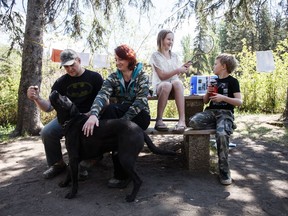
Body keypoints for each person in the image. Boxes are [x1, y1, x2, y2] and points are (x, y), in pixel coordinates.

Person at [27, 49, 103, 179]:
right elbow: (49, 107)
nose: (69, 69)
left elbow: (105, 101)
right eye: (66, 66)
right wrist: (36, 98)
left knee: (89, 131)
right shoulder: (61, 82)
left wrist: (91, 114)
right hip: (67, 119)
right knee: (47, 132)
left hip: (90, 116)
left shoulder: (95, 77)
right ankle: (57, 164)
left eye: (72, 65)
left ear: (79, 60)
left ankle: (91, 159)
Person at [82, 44, 151, 188]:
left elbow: (140, 102)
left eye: (121, 59)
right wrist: (94, 114)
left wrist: (122, 124)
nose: (118, 62)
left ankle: (102, 158)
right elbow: (102, 94)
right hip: (120, 117)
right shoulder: (113, 77)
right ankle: (119, 174)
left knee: (114, 119)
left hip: (140, 116)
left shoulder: (142, 76)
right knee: (109, 111)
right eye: (116, 59)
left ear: (129, 59)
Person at [188, 53, 242, 185]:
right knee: (193, 122)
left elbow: (239, 102)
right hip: (211, 112)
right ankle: (223, 125)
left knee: (222, 135)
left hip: (225, 112)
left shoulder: (233, 81)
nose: (214, 66)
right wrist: (208, 91)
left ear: (224, 66)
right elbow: (206, 101)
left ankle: (224, 171)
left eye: (215, 63)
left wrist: (223, 98)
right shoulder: (214, 80)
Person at [150, 29, 191, 133]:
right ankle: (159, 120)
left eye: (172, 39)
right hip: (161, 85)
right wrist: (178, 70)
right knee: (166, 85)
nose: (171, 42)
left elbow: (176, 73)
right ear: (161, 39)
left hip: (174, 85)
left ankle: (182, 121)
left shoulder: (175, 56)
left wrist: (183, 68)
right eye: (168, 39)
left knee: (177, 82)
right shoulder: (155, 56)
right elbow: (162, 76)